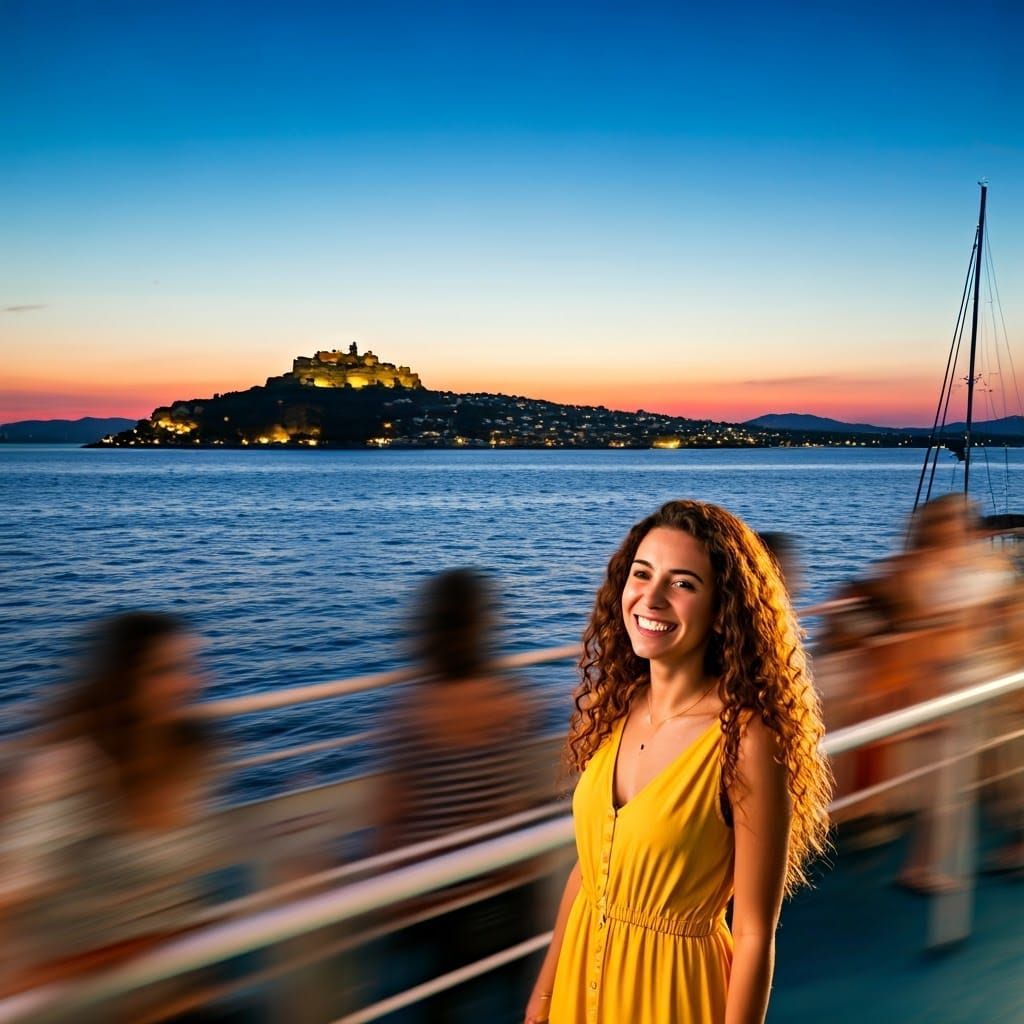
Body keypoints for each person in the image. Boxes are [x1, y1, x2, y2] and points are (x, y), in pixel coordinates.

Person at [525, 500, 831, 1024]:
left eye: (683, 583)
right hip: (581, 982)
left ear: (721, 612)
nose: (652, 597)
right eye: (642, 574)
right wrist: (545, 997)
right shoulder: (610, 709)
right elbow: (591, 870)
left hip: (673, 995)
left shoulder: (746, 739)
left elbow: (756, 932)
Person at [0, 611, 221, 1019]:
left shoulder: (190, 753)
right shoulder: (71, 771)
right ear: (122, 681)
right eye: (168, 670)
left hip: (179, 989)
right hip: (93, 1004)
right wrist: (125, 956)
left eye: (193, 666)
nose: (193, 682)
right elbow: (9, 898)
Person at [375, 569, 538, 1023]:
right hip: (506, 895)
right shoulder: (514, 701)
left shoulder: (407, 713)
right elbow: (518, 803)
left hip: (436, 902)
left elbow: (391, 818)